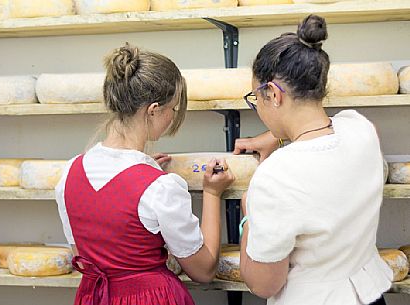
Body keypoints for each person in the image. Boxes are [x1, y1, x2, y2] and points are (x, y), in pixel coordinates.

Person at [55, 43, 235, 305]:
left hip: (94, 296)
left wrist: (137, 172)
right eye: (172, 108)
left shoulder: (69, 173)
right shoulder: (160, 188)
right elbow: (203, 270)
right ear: (153, 110)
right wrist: (211, 193)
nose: (173, 116)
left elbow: (87, 252)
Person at [235, 14, 392, 305]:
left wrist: (248, 217)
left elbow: (264, 284)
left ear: (273, 94)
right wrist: (275, 135)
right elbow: (326, 127)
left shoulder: (274, 176)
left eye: (256, 98)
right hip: (368, 296)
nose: (257, 106)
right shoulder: (361, 130)